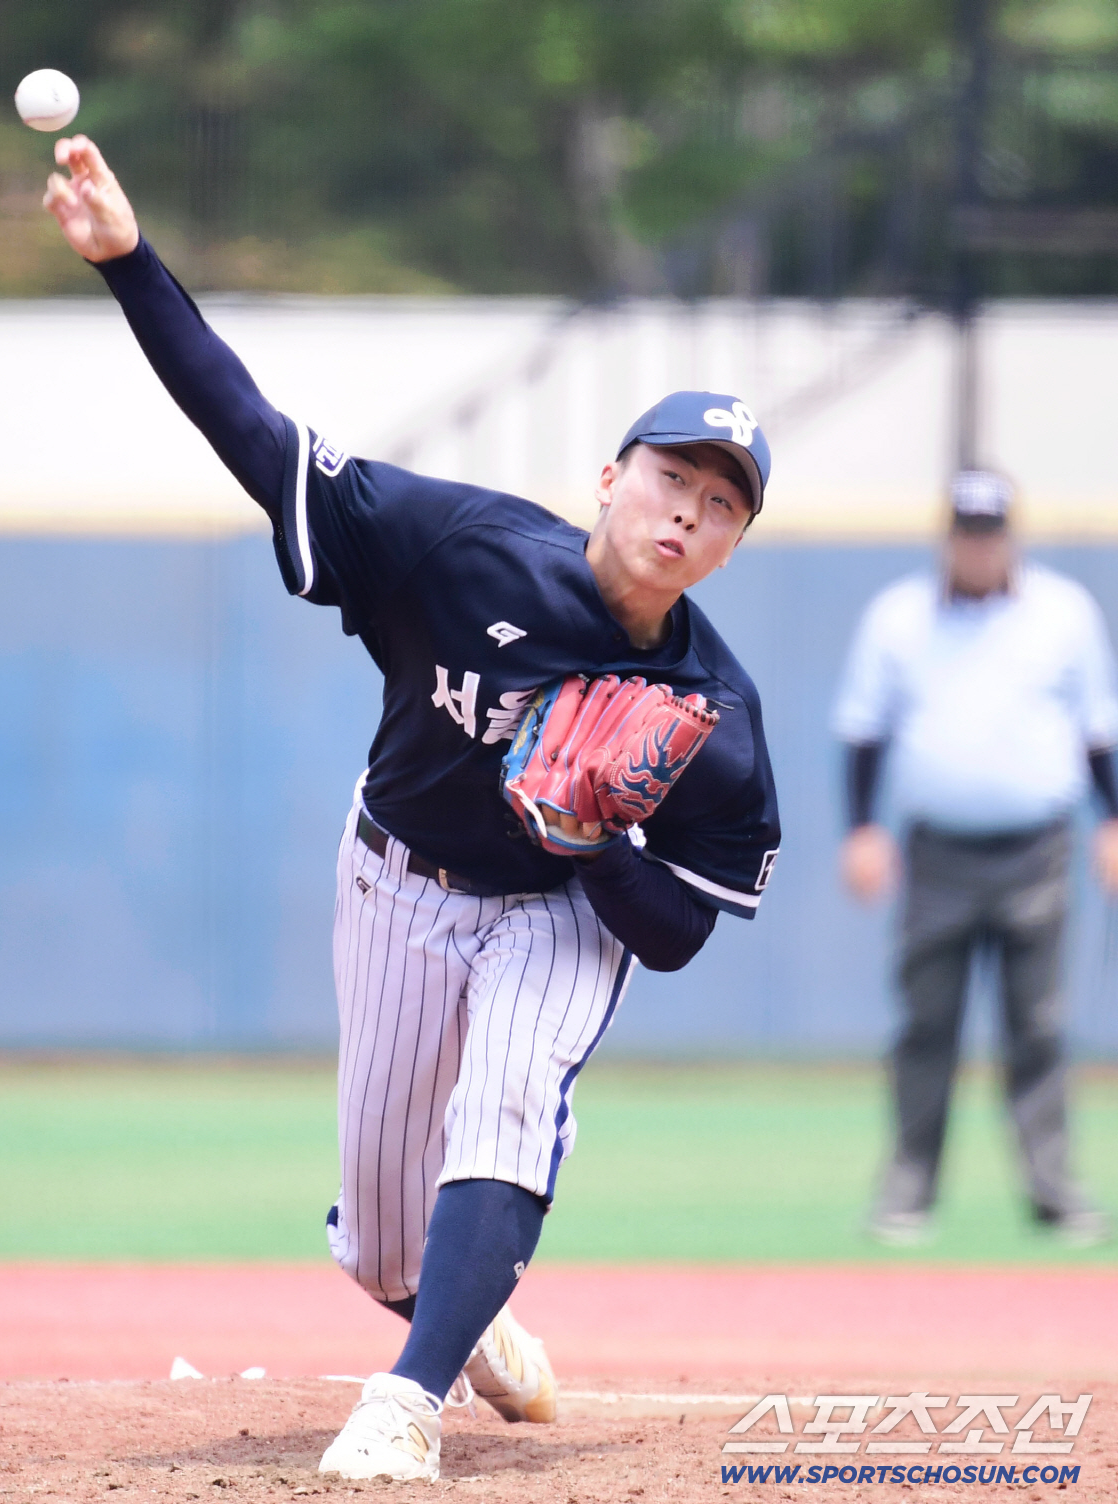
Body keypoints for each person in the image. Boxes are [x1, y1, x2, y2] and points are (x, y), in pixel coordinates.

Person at [43, 136, 780, 1481]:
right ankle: (464, 1311)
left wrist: (601, 846)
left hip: (560, 913)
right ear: (610, 479)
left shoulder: (714, 720)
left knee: (508, 1099)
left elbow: (678, 934)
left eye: (718, 505)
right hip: (394, 881)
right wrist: (126, 263)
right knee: (383, 1244)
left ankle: (408, 1398)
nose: (685, 513)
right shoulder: (456, 546)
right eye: (670, 477)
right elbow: (256, 438)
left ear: (731, 545)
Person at [833, 468, 1118, 1248]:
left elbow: (1096, 729)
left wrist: (1112, 821)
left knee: (1039, 1023)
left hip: (1039, 848)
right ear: (949, 537)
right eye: (967, 532)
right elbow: (863, 728)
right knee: (927, 1021)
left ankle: (1054, 1189)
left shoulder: (1062, 613)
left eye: (991, 532)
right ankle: (908, 1187)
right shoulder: (901, 618)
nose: (979, 547)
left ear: (1010, 537)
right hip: (939, 852)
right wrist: (861, 827)